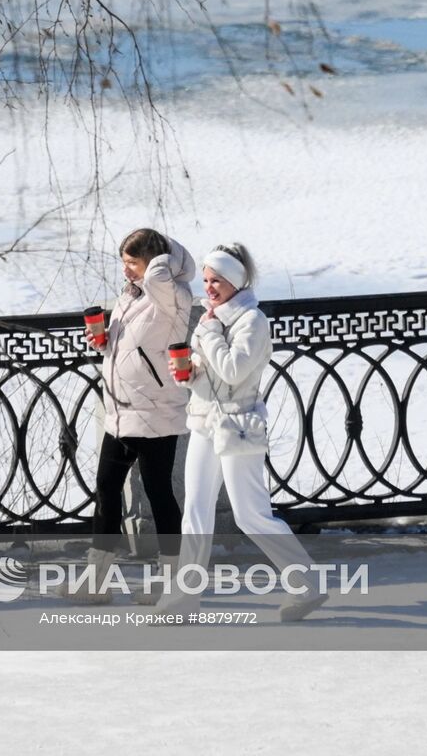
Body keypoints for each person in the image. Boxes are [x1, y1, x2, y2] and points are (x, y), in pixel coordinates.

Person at [165, 242, 328, 622]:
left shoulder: (251, 322)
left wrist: (207, 336)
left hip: (238, 426)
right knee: (195, 512)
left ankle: (307, 584)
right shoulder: (213, 319)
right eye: (206, 280)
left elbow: (235, 371)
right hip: (205, 422)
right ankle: (183, 599)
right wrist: (188, 374)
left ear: (235, 281)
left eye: (216, 280)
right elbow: (211, 372)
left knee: (251, 515)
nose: (209, 288)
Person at [82, 228, 195, 583]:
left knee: (159, 492)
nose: (125, 270)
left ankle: (170, 581)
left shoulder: (172, 294)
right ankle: (97, 579)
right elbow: (135, 346)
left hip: (156, 411)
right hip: (121, 412)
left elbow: (161, 275)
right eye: (123, 262)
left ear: (155, 262)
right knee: (105, 488)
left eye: (133, 262)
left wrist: (163, 258)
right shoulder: (131, 295)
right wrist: (105, 344)